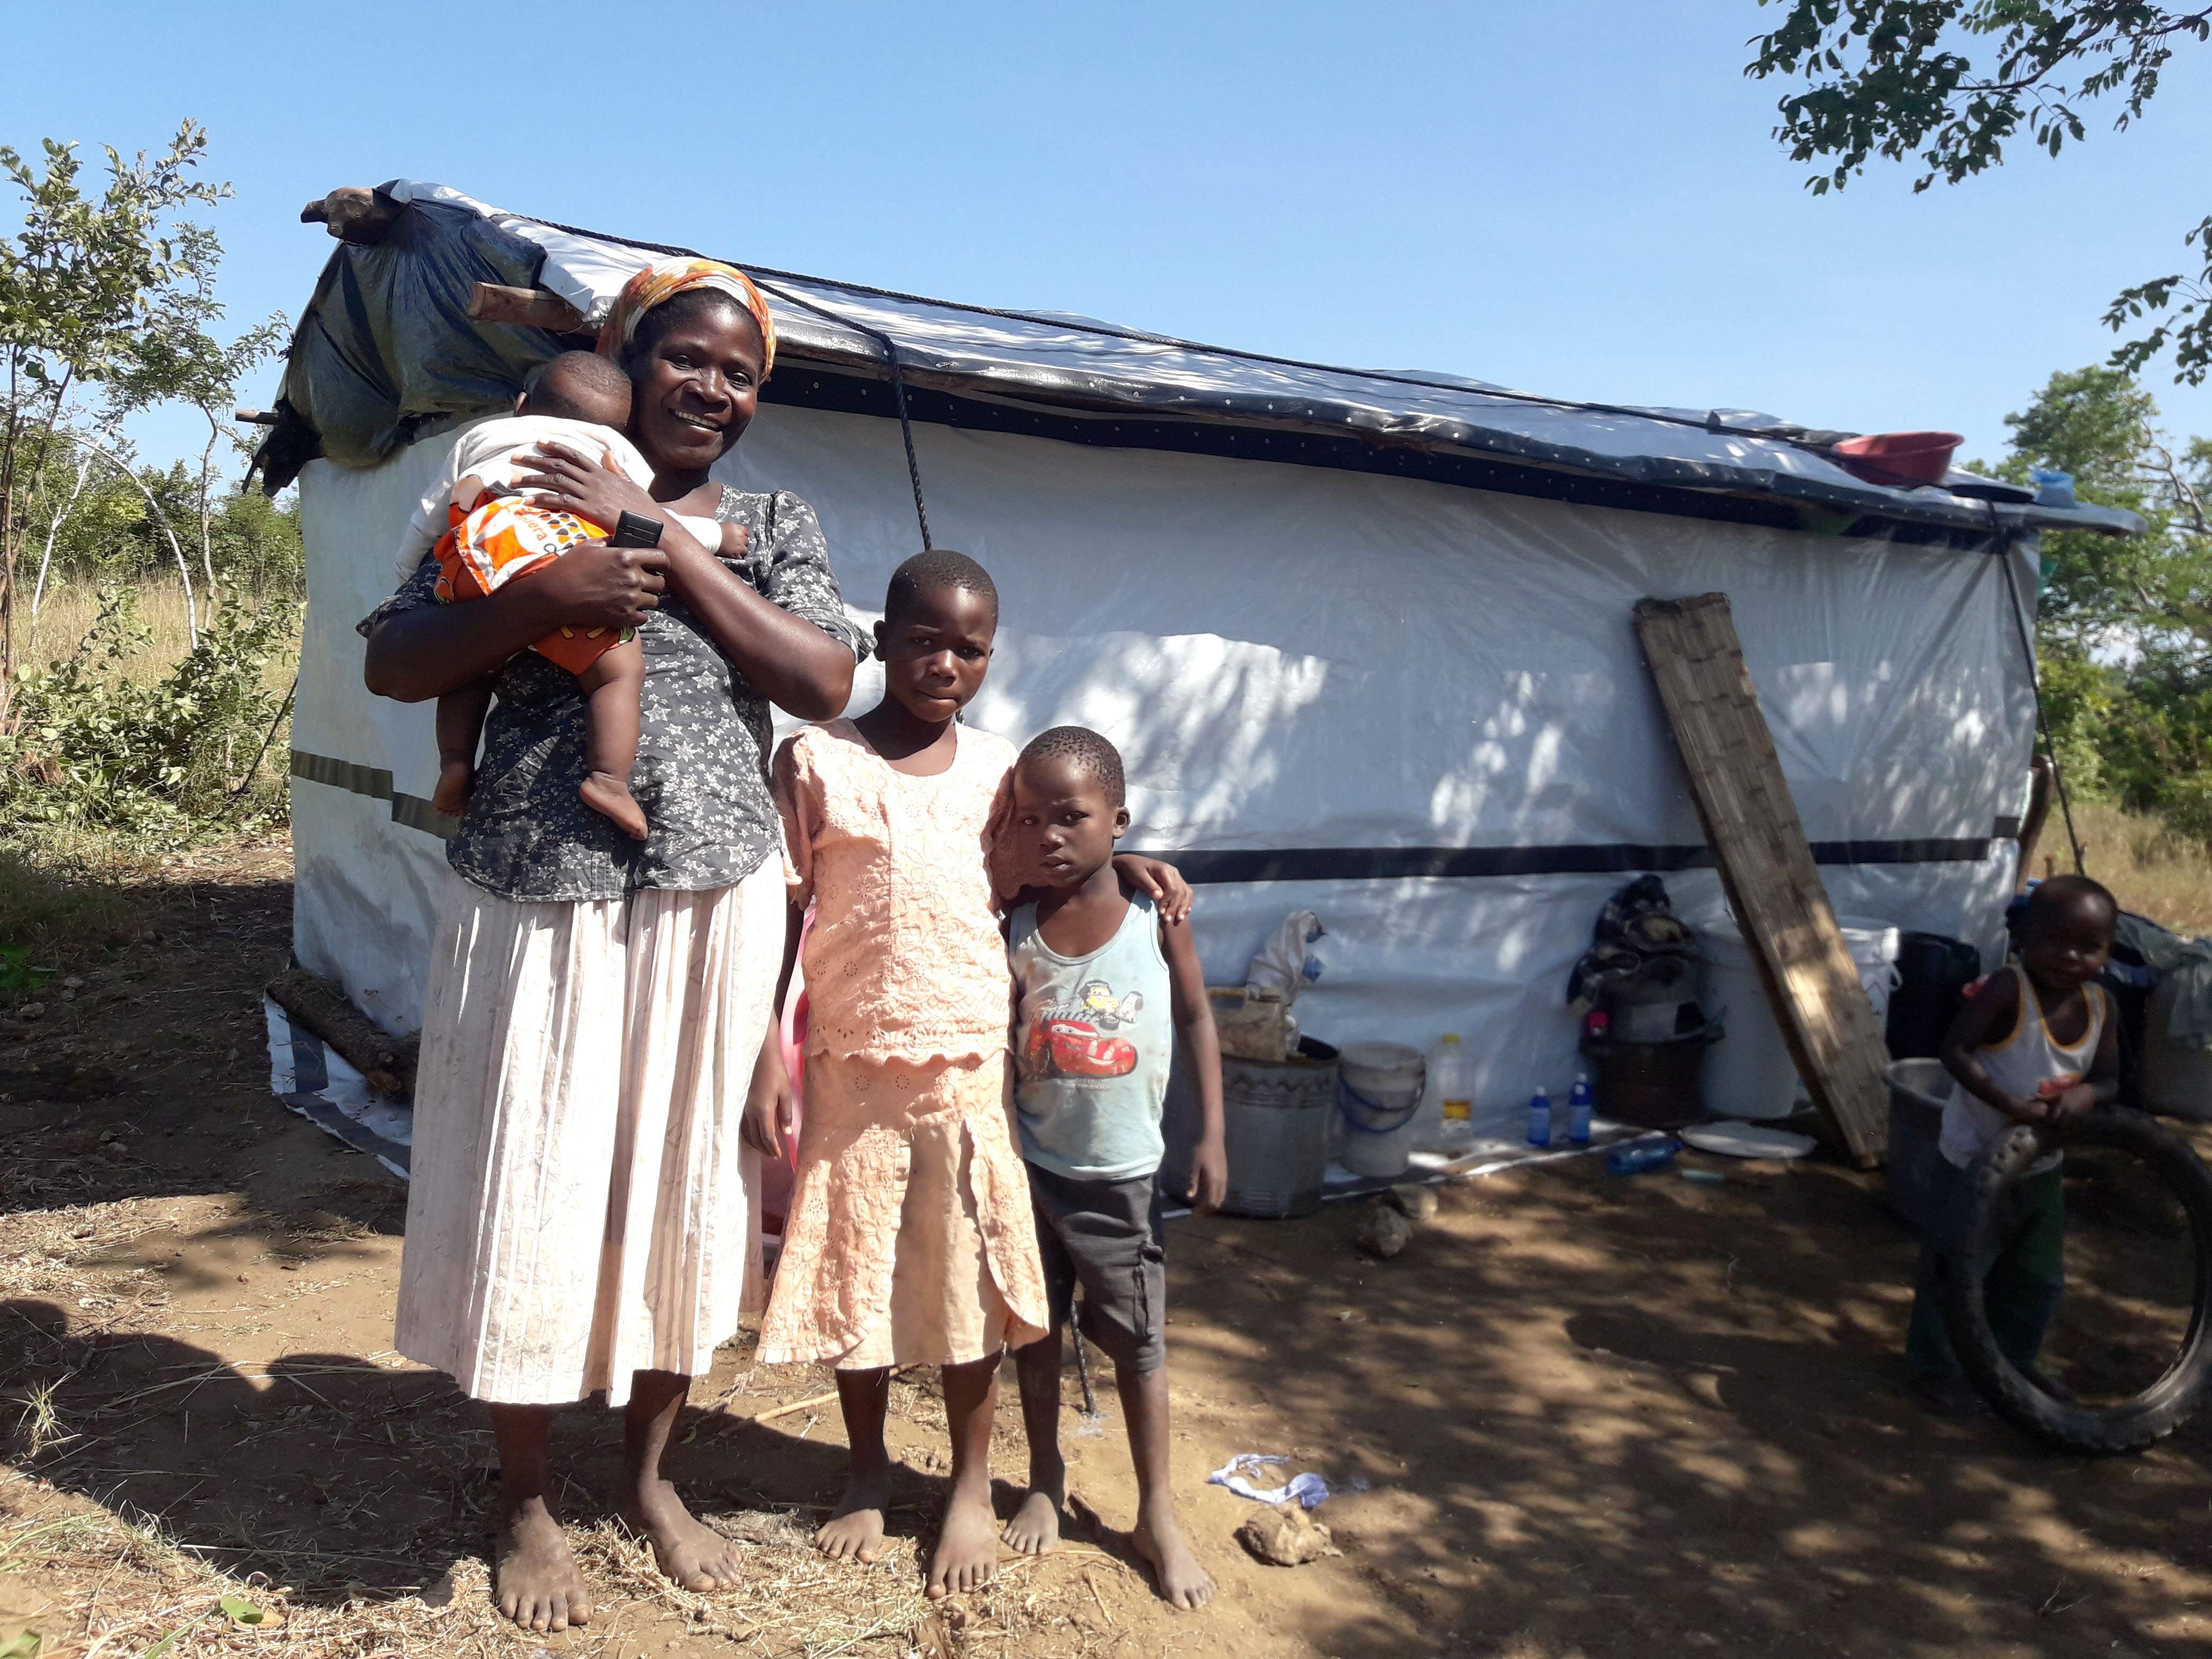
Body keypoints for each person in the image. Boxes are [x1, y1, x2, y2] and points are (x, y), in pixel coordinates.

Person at [362, 256, 866, 1633]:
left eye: (741, 371)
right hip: (539, 890)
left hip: (713, 899)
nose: (713, 387)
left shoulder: (771, 520)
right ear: (629, 357)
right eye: (688, 358)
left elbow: (822, 681)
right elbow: (393, 659)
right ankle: (524, 1497)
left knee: (684, 1187)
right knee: (536, 1175)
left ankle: (647, 1477)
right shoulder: (517, 478)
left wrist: (657, 532)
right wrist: (545, 589)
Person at [748, 551, 1190, 1600]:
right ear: (883, 639)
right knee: (854, 1272)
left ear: (993, 654)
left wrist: (1127, 864)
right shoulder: (816, 761)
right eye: (925, 640)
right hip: (849, 1066)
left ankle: (967, 1485)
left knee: (968, 1284)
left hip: (970, 1073)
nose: (946, 662)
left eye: (971, 647)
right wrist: (759, 1050)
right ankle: (864, 1472)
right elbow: (780, 910)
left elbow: (1062, 844)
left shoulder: (1002, 772)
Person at [996, 726, 1225, 1609]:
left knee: (1138, 1345)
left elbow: (1200, 1021)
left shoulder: (1154, 919)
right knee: (1034, 1331)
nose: (1050, 834)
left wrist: (1210, 1138)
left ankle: (1155, 1512)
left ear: (1117, 820)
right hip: (1030, 1169)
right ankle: (1045, 1474)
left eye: (1071, 816)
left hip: (1121, 1177)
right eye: (1030, 819)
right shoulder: (1016, 920)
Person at [393, 350, 745, 838]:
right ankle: (607, 779)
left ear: (522, 406)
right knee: (616, 675)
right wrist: (717, 537)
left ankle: (455, 761)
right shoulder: (614, 458)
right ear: (623, 431)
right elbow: (648, 522)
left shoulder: (482, 438)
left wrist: (411, 571)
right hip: (564, 557)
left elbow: (432, 512)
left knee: (471, 663)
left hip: (484, 558)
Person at [1906, 873, 2120, 1416]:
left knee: (2036, 1277)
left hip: (2042, 1167)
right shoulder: (2008, 989)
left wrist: (2087, 1097)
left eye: (2088, 946)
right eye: (2053, 941)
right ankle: (1937, 1367)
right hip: (1972, 1160)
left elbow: (2112, 1079)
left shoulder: (2101, 1006)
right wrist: (2009, 1106)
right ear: (2024, 937)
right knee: (1956, 1268)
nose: (2069, 956)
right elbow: (1954, 1051)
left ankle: (2011, 1359)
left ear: (2108, 950)